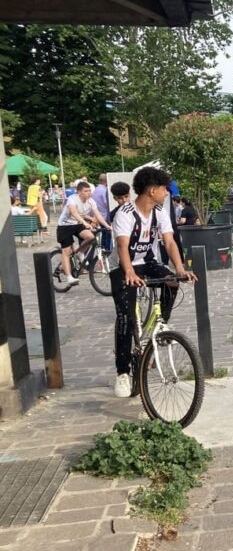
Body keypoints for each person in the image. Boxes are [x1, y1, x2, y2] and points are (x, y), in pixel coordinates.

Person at [109, 167, 196, 398]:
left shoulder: (160, 212)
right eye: (165, 189)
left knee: (172, 282)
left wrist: (179, 269)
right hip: (123, 265)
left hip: (147, 262)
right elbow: (121, 246)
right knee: (125, 317)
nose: (167, 193)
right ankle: (122, 373)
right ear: (152, 190)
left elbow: (169, 242)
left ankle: (162, 326)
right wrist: (129, 272)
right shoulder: (125, 213)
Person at [56, 181, 111, 284]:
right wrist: (84, 223)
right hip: (65, 226)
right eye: (86, 191)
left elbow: (98, 215)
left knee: (90, 236)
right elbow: (74, 212)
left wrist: (107, 225)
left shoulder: (91, 201)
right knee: (67, 252)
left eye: (89, 190)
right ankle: (69, 277)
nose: (89, 193)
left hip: (77, 224)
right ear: (79, 192)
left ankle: (80, 252)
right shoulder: (73, 199)